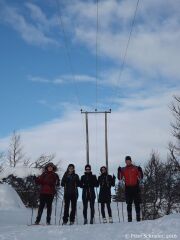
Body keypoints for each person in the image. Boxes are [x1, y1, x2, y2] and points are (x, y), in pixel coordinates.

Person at [118, 156, 143, 222]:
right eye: (126, 161)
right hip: (128, 188)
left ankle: (138, 218)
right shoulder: (123, 169)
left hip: (135, 187)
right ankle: (129, 218)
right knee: (129, 203)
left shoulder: (135, 168)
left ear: (131, 161)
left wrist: (140, 170)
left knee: (137, 203)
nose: (127, 162)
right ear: (125, 162)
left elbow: (140, 177)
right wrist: (119, 171)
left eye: (128, 160)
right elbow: (120, 178)